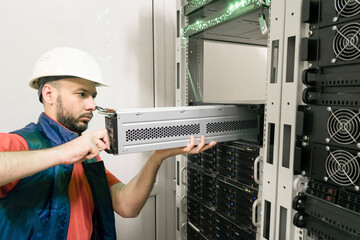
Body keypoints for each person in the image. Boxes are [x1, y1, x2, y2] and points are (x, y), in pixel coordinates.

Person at [0, 47, 216, 240]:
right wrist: (65, 152)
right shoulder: (20, 143)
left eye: (93, 96)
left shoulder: (88, 157)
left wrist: (157, 156)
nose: (92, 105)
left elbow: (127, 205)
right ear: (49, 93)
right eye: (81, 94)